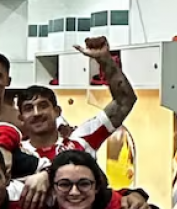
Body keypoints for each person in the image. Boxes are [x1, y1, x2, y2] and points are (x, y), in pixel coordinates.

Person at [18, 38, 136, 168]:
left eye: (43, 106)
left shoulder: (82, 140)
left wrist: (105, 60)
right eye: (29, 108)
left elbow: (124, 101)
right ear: (21, 118)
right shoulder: (16, 153)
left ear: (57, 111)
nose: (36, 113)